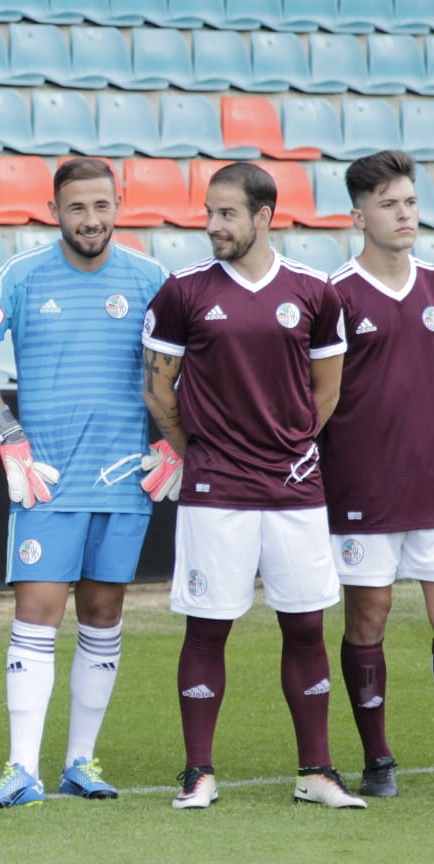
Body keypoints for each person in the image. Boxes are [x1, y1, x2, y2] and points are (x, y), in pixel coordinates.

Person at [141, 161, 364, 810]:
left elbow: (328, 392)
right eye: (208, 212)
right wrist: (205, 455)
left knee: (306, 625)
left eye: (227, 214)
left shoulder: (317, 291)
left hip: (296, 490)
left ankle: (316, 772)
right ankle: (198, 773)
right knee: (207, 629)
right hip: (217, 492)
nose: (211, 225)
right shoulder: (182, 292)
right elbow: (159, 393)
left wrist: (289, 450)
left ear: (265, 216)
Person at [0, 158, 170, 809]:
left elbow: (182, 366)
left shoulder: (153, 280)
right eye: (77, 208)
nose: (91, 220)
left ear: (119, 203)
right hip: (45, 482)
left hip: (125, 482)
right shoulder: (19, 275)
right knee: (37, 614)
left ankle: (81, 761)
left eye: (102, 206)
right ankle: (21, 768)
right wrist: (8, 437)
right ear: (55, 210)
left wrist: (172, 442)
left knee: (103, 618)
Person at [319, 149, 434, 799]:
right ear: (358, 213)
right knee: (370, 618)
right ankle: (379, 758)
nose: (403, 215)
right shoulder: (334, 296)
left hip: (433, 486)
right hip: (363, 489)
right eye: (389, 204)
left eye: (410, 202)